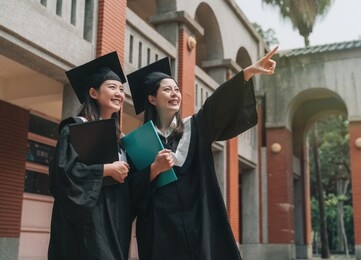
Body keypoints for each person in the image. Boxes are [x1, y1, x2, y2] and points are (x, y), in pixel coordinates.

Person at [126, 46, 278, 259]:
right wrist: (153, 170)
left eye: (177, 89)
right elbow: (129, 192)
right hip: (161, 233)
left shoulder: (196, 127)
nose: (175, 94)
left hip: (200, 224)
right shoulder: (138, 143)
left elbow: (216, 104)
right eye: (167, 90)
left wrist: (247, 73)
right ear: (152, 99)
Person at [48, 51, 133, 260]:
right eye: (112, 87)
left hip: (115, 218)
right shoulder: (75, 128)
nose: (119, 93)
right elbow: (62, 173)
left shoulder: (122, 140)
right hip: (87, 220)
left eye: (121, 89)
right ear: (94, 93)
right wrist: (107, 170)